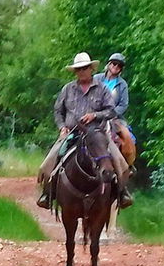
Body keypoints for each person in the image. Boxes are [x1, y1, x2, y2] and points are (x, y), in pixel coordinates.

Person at [35, 51, 132, 211]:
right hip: (72, 132)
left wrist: (95, 115)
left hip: (98, 134)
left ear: (91, 69)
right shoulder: (67, 89)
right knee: (49, 161)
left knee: (119, 160)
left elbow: (111, 110)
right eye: (79, 69)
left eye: (85, 68)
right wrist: (62, 127)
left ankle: (122, 193)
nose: (82, 71)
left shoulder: (101, 88)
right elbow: (58, 110)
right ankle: (48, 193)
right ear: (75, 71)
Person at [98, 52, 138, 172]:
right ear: (109, 64)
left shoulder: (122, 85)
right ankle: (60, 163)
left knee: (128, 137)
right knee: (73, 133)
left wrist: (111, 114)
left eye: (119, 65)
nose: (116, 67)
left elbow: (123, 104)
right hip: (94, 115)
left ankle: (128, 165)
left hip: (114, 117)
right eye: (114, 63)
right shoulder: (96, 79)